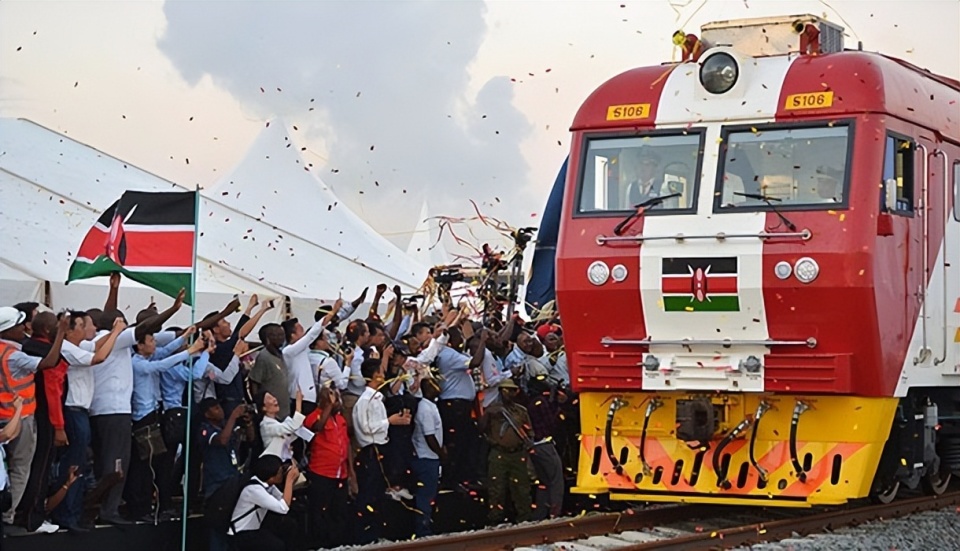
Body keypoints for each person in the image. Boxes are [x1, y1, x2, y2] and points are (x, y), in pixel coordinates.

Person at [0, 307, 68, 530]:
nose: (24, 328)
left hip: (4, 418)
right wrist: (59, 336)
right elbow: (48, 363)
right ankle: (7, 514)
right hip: (20, 418)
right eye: (20, 325)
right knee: (21, 468)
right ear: (8, 330)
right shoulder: (14, 356)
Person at [352, 358, 411, 544]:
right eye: (381, 371)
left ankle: (376, 533)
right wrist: (389, 421)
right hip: (371, 451)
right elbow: (366, 427)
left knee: (378, 493)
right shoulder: (365, 400)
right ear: (376, 374)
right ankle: (364, 536)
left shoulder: (377, 398)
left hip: (380, 449)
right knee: (369, 493)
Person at [303, 386, 355, 548]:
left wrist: (352, 473)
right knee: (319, 513)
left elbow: (347, 446)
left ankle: (338, 544)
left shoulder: (340, 420)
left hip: (341, 474)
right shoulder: (313, 416)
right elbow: (317, 427)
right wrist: (328, 407)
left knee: (339, 512)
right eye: (334, 398)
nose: (337, 402)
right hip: (321, 473)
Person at [479, 378, 534, 525]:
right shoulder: (492, 409)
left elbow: (529, 433)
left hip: (518, 453)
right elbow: (480, 429)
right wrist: (488, 414)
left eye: (511, 390)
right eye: (505, 390)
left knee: (522, 489)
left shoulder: (521, 411)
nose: (508, 393)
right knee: (496, 489)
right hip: (498, 453)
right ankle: (495, 520)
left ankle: (525, 518)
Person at [228, 454, 298, 551]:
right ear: (271, 477)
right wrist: (289, 481)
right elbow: (283, 508)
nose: (282, 474)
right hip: (242, 533)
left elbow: (283, 499)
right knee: (276, 546)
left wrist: (291, 481)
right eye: (280, 472)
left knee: (289, 526)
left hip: (255, 528)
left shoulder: (268, 485)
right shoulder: (254, 490)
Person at [411, 378, 444, 537]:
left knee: (429, 494)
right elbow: (429, 436)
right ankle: (422, 531)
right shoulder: (425, 408)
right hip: (426, 458)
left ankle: (426, 527)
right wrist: (441, 453)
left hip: (430, 457)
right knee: (425, 496)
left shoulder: (431, 406)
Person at [250, 323, 290, 421]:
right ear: (269, 338)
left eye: (283, 335)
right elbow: (254, 382)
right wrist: (259, 405)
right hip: (272, 413)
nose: (282, 338)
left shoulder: (280, 354)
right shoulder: (264, 357)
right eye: (278, 335)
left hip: (285, 410)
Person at [257, 389, 305, 462]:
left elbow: (294, 430)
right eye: (269, 398)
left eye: (273, 396)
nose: (274, 399)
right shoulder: (266, 425)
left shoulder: (279, 422)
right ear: (264, 408)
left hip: (287, 459)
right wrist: (298, 403)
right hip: (275, 464)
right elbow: (293, 426)